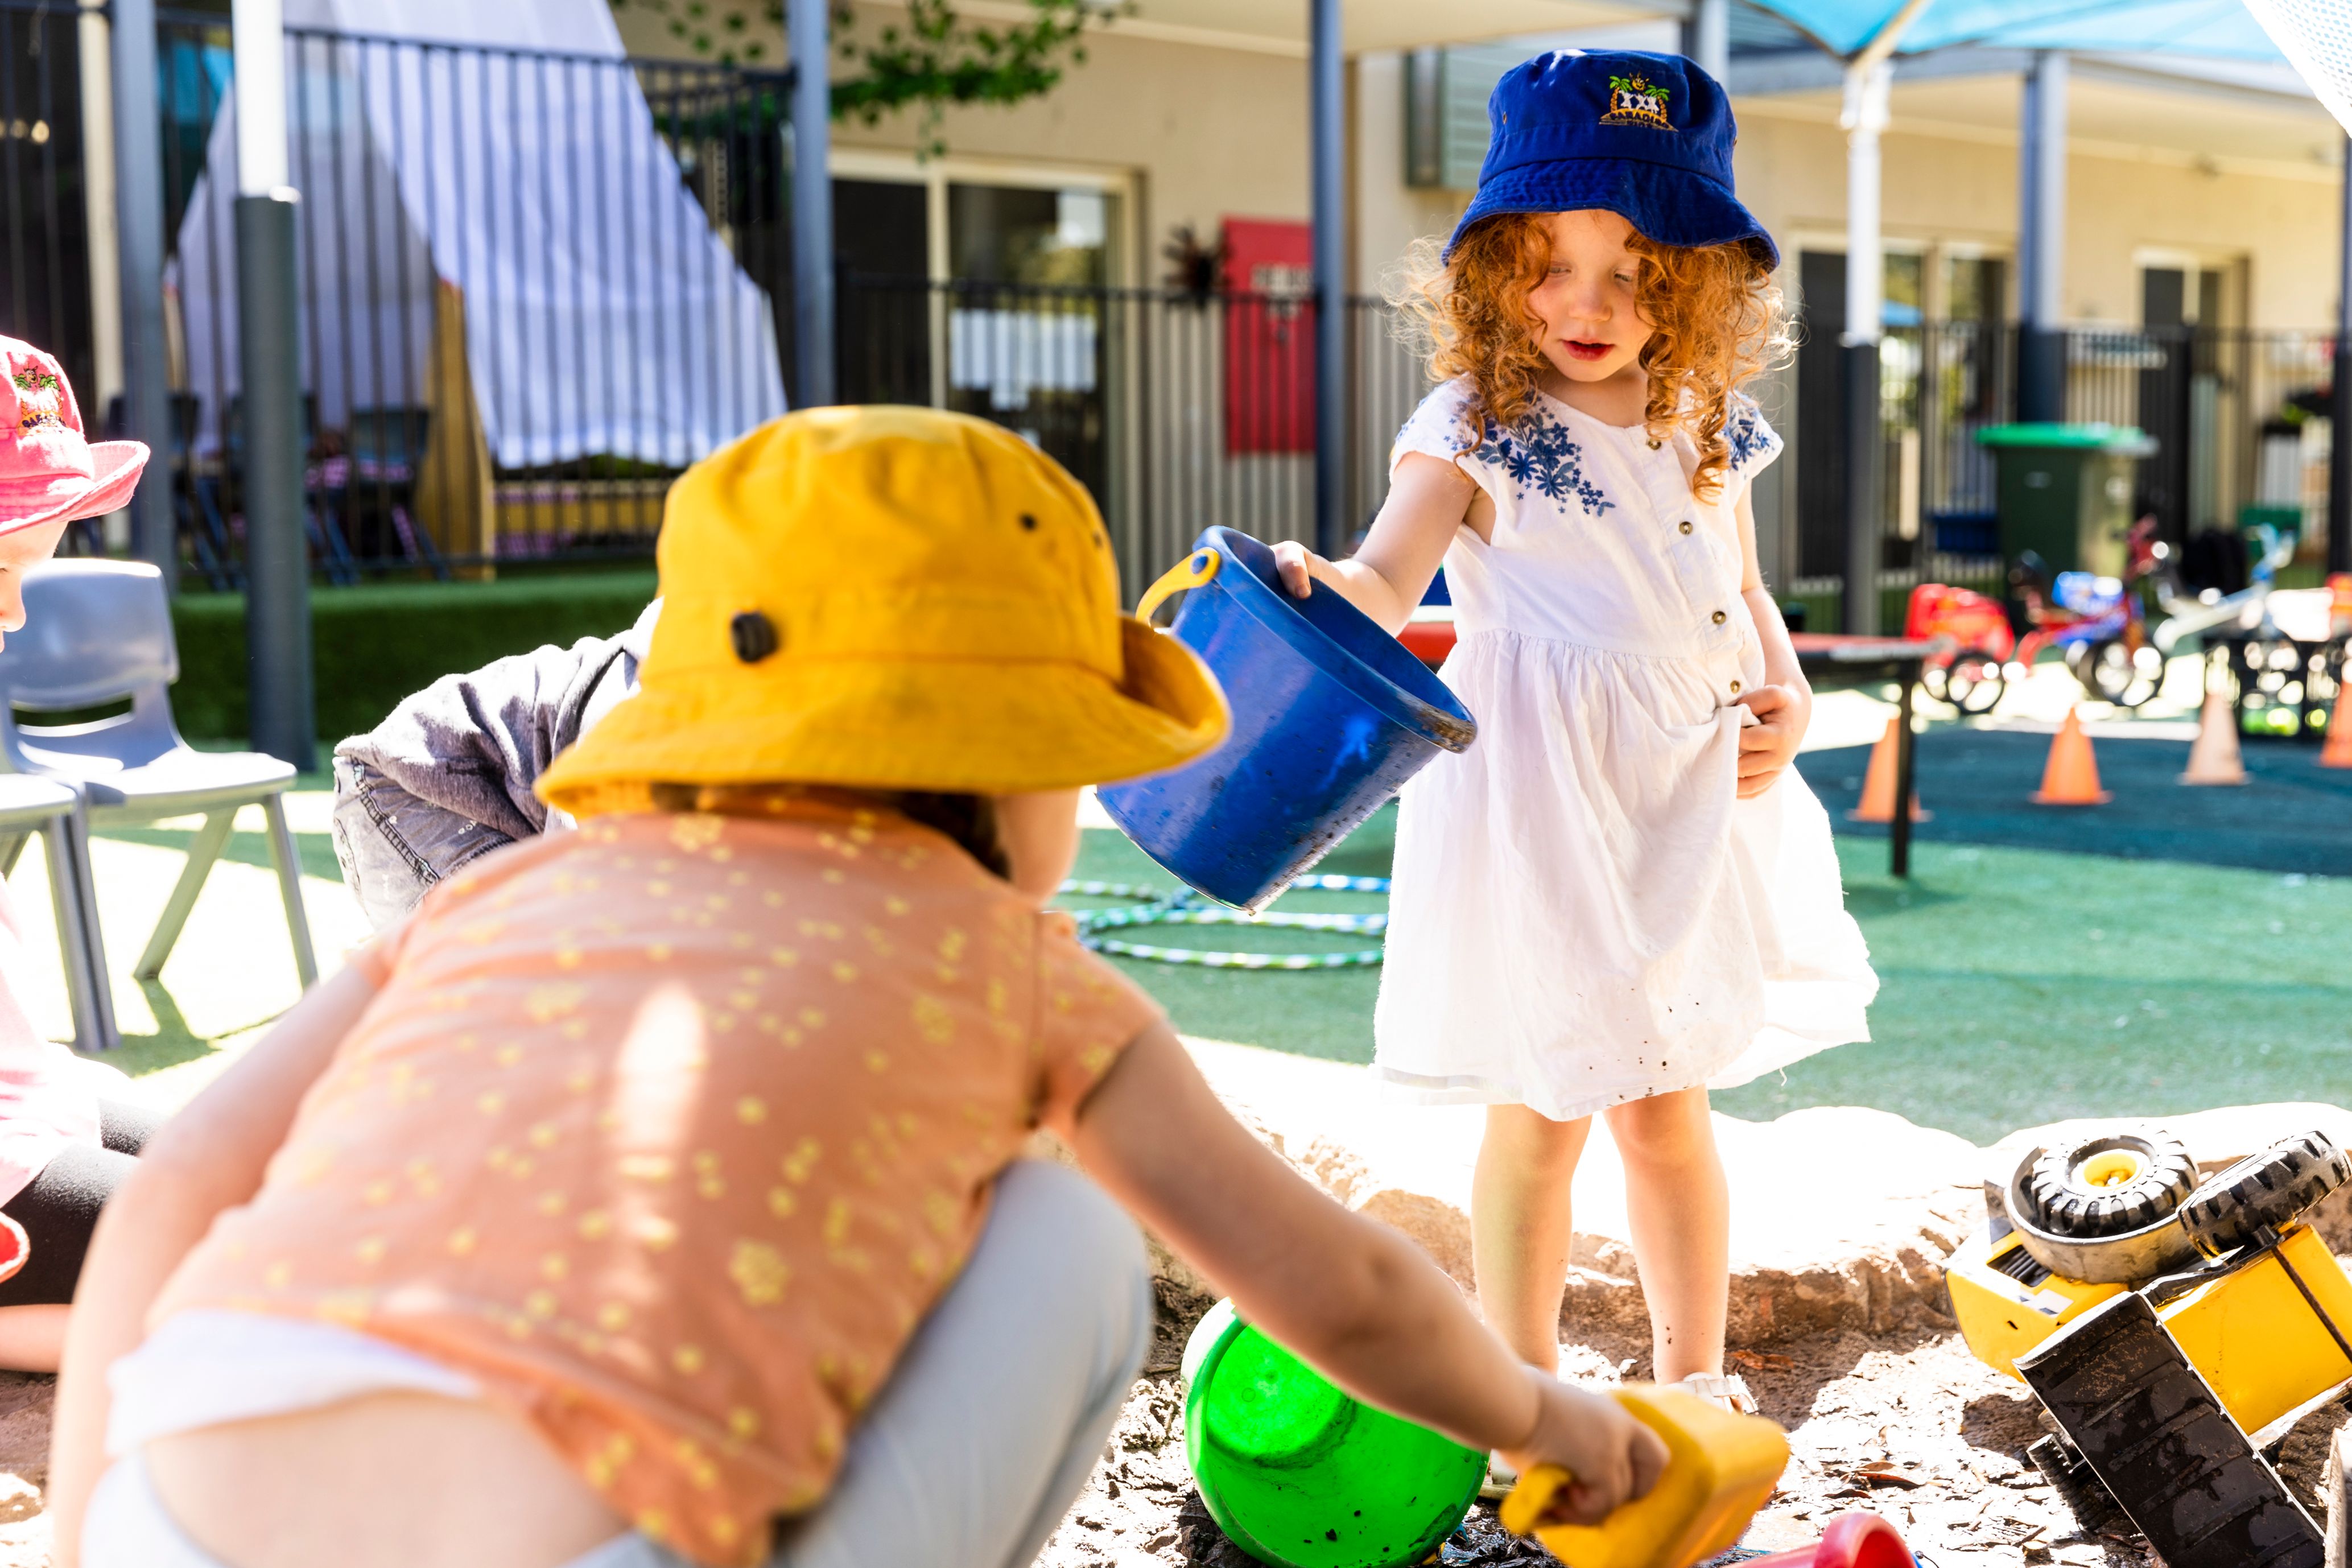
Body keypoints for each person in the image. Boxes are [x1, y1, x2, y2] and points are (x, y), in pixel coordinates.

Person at [51, 406, 1668, 1568]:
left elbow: (183, 1179)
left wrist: (80, 1539)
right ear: (1019, 767)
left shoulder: (510, 892)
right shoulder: (1020, 976)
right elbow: (1350, 1295)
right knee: (1065, 1236)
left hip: (173, 1504)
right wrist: (1549, 1418)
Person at [1267, 51, 1877, 1438]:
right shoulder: (1473, 425)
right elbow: (1385, 576)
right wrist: (1322, 583)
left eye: (1630, 270)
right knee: (1541, 1108)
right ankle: (1518, 1387)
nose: (1584, 305)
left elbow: (1738, 588)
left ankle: (1687, 1373)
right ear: (1493, 271)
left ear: (1696, 281)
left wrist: (1782, 694)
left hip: (1682, 783)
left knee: (1668, 1104)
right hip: (1543, 800)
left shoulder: (1704, 420)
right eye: (1548, 264)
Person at [0, 337, 161, 1373]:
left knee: (273, 1183)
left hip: (22, 1097)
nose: (15, 612)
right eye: (1, 571)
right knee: (223, 1273)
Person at [329, 600, 656, 929]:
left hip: (459, 792)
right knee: (544, 949)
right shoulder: (633, 706)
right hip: (403, 793)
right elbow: (573, 887)